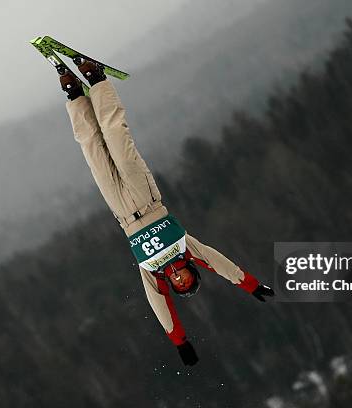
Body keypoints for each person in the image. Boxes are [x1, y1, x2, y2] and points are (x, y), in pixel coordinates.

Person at [56, 59, 274, 366]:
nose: (179, 280)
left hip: (121, 211)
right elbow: (221, 264)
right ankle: (97, 79)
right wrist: (250, 285)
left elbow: (161, 308)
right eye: (186, 280)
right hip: (145, 198)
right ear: (191, 271)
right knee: (116, 138)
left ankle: (75, 95)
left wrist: (180, 343)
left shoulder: (153, 275)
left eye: (178, 286)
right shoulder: (188, 250)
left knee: (93, 151)